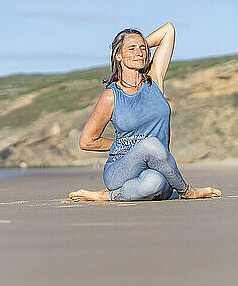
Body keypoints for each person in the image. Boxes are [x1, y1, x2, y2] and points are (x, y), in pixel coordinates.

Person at [68, 22, 222, 201]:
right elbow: (87, 141)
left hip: (159, 171)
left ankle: (106, 196)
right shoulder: (111, 95)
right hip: (121, 169)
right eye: (131, 49)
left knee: (153, 183)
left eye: (142, 48)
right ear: (118, 56)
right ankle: (188, 191)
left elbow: (168, 31)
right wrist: (128, 145)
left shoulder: (155, 80)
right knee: (150, 144)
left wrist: (139, 47)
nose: (139, 52)